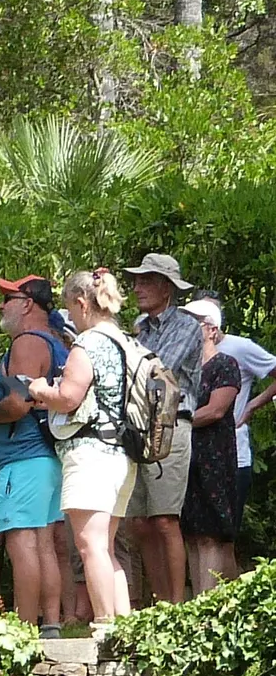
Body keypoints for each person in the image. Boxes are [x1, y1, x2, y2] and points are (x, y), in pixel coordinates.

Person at [27, 269, 138, 640]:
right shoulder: (126, 341)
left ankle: (106, 629)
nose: (70, 318)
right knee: (105, 547)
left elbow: (70, 397)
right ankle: (126, 631)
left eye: (71, 310)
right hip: (122, 454)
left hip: (90, 454)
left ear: (82, 302)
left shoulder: (88, 344)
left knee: (90, 546)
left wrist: (42, 389)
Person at [0, 276, 67, 636]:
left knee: (21, 540)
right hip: (49, 459)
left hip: (23, 460)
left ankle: (24, 630)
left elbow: (18, 405)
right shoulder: (58, 342)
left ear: (27, 304)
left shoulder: (26, 342)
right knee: (44, 543)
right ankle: (51, 624)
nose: (1, 305)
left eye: (8, 298)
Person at [123, 251, 202, 605]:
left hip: (170, 426)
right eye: (137, 280)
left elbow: (156, 369)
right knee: (139, 522)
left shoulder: (186, 326)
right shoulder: (141, 327)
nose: (137, 287)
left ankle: (176, 606)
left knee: (166, 519)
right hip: (140, 428)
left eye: (146, 280)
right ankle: (159, 604)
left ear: (167, 287)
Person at [195, 294, 276, 526]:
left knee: (222, 535)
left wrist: (252, 405)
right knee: (195, 533)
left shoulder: (239, 348)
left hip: (232, 452)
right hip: (194, 451)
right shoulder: (188, 351)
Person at [179, 299, 242, 593]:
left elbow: (216, 410)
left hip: (213, 459)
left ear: (211, 329)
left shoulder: (225, 365)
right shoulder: (181, 368)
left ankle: (212, 604)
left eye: (194, 321)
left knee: (211, 534)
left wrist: (176, 420)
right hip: (184, 456)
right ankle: (198, 605)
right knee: (190, 533)